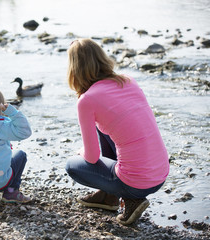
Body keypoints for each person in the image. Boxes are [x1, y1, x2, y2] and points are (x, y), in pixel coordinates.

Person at [65, 39, 169, 225]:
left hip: (136, 183)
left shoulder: (87, 100)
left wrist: (80, 151)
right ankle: (109, 197)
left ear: (74, 68)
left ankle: (130, 198)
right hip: (160, 174)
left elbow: (91, 157)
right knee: (106, 127)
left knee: (72, 165)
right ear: (102, 58)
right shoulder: (127, 80)